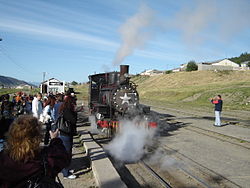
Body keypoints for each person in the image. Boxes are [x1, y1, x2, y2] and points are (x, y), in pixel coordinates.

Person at [0, 115, 70, 187]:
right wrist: (55, 140)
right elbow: (63, 157)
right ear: (37, 137)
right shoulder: (44, 157)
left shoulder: (3, 158)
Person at [59, 96, 77, 179]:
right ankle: (66, 173)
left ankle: (65, 170)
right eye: (74, 101)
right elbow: (73, 120)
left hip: (65, 133)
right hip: (66, 134)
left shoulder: (64, 108)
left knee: (66, 152)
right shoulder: (67, 110)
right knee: (67, 153)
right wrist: (75, 111)